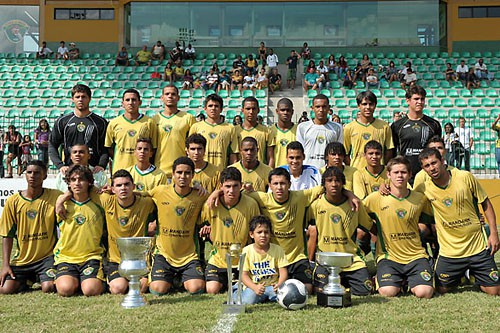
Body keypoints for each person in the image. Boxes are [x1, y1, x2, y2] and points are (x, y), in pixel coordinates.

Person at [416, 148, 499, 296]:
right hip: (450, 251)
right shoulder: (423, 188)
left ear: (442, 161)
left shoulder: (464, 176)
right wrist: (386, 186)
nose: (432, 168)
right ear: (423, 169)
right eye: (427, 165)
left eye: (434, 162)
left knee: (494, 291)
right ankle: (462, 274)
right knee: (441, 290)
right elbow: (405, 197)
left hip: (477, 247)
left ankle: (473, 274)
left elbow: (485, 203)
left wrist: (493, 233)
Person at [364, 157, 434, 299]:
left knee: (424, 293)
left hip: (416, 255)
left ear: (410, 174)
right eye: (396, 172)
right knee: (387, 292)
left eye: (403, 172)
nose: (400, 176)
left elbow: (431, 222)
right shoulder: (375, 198)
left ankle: (410, 279)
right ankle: (384, 279)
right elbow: (357, 211)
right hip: (389, 257)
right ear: (388, 175)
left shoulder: (420, 199)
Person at [308, 166, 373, 296]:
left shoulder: (355, 205)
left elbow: (371, 228)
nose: (334, 184)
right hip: (325, 260)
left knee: (365, 291)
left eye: (337, 180)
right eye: (329, 180)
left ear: (343, 183)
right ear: (323, 184)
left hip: (351, 259)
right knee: (321, 292)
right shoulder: (316, 205)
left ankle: (346, 282)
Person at [148, 157, 208, 295]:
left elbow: (216, 200)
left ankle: (179, 278)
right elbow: (139, 196)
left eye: (187, 173)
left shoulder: (199, 196)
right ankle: (171, 278)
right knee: (157, 290)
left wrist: (214, 192)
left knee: (196, 288)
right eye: (179, 172)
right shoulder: (160, 191)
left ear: (193, 175)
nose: (183, 176)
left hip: (189, 255)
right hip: (164, 254)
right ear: (173, 174)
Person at [0, 160, 61, 294]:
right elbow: (7, 235)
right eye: (29, 172)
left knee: (49, 287)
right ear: (25, 175)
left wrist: (63, 200)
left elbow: (73, 195)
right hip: (22, 259)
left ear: (45, 175)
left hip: (46, 258)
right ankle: (28, 280)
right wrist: (5, 265)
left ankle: (38, 278)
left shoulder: (55, 196)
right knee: (5, 289)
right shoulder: (13, 201)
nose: (33, 176)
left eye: (37, 173)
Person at [201, 167, 260, 294]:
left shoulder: (251, 204)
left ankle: (234, 280)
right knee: (212, 289)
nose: (231, 190)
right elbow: (204, 226)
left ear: (241, 186)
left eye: (235, 186)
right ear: (221, 186)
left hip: (242, 260)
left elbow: (256, 232)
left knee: (243, 288)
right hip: (219, 260)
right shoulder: (211, 204)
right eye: (227, 186)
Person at [54, 165, 105, 297]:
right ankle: (74, 279)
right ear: (68, 183)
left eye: (81, 179)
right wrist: (60, 201)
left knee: (91, 290)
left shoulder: (99, 203)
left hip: (91, 256)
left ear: (89, 182)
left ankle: (92, 280)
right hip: (66, 257)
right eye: (73, 179)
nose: (77, 183)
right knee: (65, 290)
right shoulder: (61, 205)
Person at [49, 84, 109, 174]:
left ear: (89, 98)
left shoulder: (100, 122)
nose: (80, 99)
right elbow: (52, 145)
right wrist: (60, 165)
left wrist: (101, 164)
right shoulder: (63, 121)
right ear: (73, 99)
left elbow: (105, 148)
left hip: (93, 171)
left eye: (84, 97)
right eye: (77, 97)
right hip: (70, 170)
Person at [391, 85, 441, 185]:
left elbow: (438, 151)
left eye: (422, 99)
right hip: (405, 176)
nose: (420, 102)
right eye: (416, 99)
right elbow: (392, 153)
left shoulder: (433, 124)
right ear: (408, 101)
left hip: (428, 176)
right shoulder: (397, 126)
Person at [105, 89, 157, 173]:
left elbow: (154, 148)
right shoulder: (114, 123)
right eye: (127, 100)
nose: (130, 103)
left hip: (141, 170)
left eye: (134, 100)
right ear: (123, 103)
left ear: (140, 103)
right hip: (120, 169)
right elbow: (108, 147)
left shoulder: (149, 122)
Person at [240, 215, 288, 304]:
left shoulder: (278, 249)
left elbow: (283, 271)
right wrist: (254, 287)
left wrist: (279, 285)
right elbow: (243, 275)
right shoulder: (246, 251)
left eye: (266, 232)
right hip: (254, 286)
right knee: (247, 301)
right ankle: (236, 290)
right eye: (259, 232)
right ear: (251, 234)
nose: (263, 235)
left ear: (270, 234)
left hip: (272, 286)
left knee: (285, 297)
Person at [153, 85, 195, 180]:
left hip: (182, 172)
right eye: (167, 94)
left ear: (178, 98)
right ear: (162, 98)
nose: (170, 96)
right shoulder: (154, 120)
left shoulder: (188, 118)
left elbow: (194, 146)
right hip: (159, 171)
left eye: (173, 94)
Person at [344, 91, 394, 170]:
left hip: (379, 172)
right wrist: (353, 167)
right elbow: (345, 153)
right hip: (357, 172)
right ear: (358, 106)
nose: (368, 107)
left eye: (371, 104)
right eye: (364, 104)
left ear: (375, 106)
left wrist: (382, 166)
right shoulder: (349, 127)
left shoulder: (384, 126)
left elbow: (389, 150)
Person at [188, 94, 239, 170]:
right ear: (205, 108)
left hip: (221, 172)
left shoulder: (230, 128)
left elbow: (233, 154)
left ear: (221, 109)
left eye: (216, 106)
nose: (213, 108)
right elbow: (189, 152)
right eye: (210, 106)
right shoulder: (196, 127)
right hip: (200, 172)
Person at [297, 94, 343, 168]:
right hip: (308, 170)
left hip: (329, 171)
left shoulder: (337, 127)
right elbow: (299, 152)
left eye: (324, 107)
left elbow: (339, 151)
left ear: (329, 108)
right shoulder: (303, 127)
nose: (321, 110)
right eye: (318, 107)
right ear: (312, 108)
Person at [236, 97, 275, 166]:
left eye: (253, 109)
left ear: (258, 110)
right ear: (242, 110)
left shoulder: (267, 131)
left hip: (260, 174)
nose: (251, 112)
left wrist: (269, 174)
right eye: (248, 109)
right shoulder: (235, 131)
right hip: (240, 173)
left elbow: (270, 157)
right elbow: (233, 156)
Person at [270, 98, 296, 167]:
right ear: (277, 111)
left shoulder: (298, 130)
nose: (285, 113)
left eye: (288, 110)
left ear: (292, 112)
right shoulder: (270, 131)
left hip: (293, 173)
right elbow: (270, 157)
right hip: (277, 173)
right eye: (282, 110)